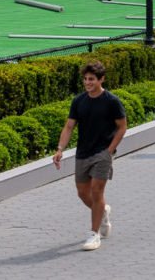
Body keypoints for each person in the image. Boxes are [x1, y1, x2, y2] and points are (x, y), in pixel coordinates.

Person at [51, 62, 127, 251]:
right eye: (85, 79)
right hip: (83, 152)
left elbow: (122, 126)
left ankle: (94, 234)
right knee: (82, 193)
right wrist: (60, 149)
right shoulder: (78, 101)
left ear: (101, 79)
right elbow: (69, 126)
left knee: (96, 191)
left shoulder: (112, 101)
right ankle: (103, 211)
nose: (87, 82)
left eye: (91, 79)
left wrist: (110, 150)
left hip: (103, 152)